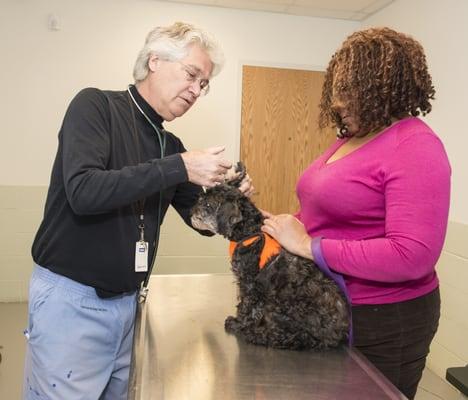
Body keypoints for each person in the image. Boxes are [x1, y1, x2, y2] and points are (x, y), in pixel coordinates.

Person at [23, 22, 252, 400]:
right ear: (155, 60)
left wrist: (233, 196)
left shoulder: (169, 144)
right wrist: (180, 166)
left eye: (204, 84)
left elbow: (201, 219)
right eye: (192, 75)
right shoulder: (95, 107)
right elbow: (83, 191)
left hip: (129, 306)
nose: (197, 91)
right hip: (72, 303)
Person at [261, 27, 450, 400]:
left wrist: (311, 246)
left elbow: (411, 256)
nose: (338, 102)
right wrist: (285, 225)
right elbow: (332, 211)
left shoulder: (415, 146)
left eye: (349, 90)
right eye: (337, 88)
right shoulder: (349, 140)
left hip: (383, 319)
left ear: (383, 88)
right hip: (331, 303)